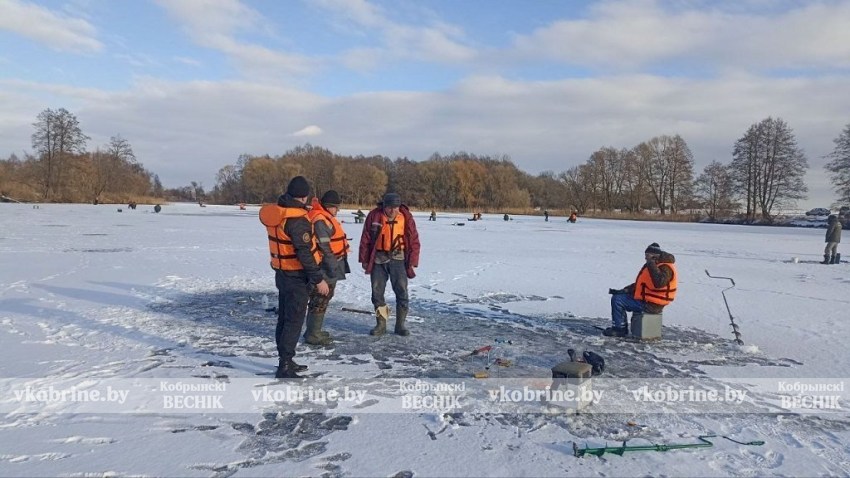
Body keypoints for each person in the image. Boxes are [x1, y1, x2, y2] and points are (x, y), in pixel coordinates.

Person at [259, 176, 329, 378]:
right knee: (294, 320)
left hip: (282, 274)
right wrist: (318, 279)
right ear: (304, 197)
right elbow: (304, 253)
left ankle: (286, 359)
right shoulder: (297, 220)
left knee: (284, 318)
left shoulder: (279, 213)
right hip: (296, 277)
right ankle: (285, 365)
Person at [359, 192, 420, 336]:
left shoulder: (406, 217)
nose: (392, 211)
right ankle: (381, 325)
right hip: (379, 258)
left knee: (402, 291)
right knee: (377, 292)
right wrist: (364, 259)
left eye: (395, 207)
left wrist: (413, 260)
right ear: (384, 206)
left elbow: (414, 240)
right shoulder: (374, 216)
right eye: (389, 208)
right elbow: (365, 239)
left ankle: (400, 325)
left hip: (398, 258)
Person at [304, 190, 351, 345]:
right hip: (325, 265)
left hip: (329, 263)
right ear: (330, 206)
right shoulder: (320, 220)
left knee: (323, 297)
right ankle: (313, 334)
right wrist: (332, 267)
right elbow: (324, 246)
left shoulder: (323, 217)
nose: (337, 211)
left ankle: (314, 330)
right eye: (336, 208)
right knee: (321, 297)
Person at [604, 243, 677, 337]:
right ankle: (620, 326)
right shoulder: (655, 265)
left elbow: (659, 283)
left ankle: (619, 329)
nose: (645, 258)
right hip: (648, 300)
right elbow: (642, 284)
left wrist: (651, 264)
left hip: (651, 305)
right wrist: (625, 290)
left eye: (647, 255)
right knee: (618, 296)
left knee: (617, 300)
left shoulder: (665, 267)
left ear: (654, 255)